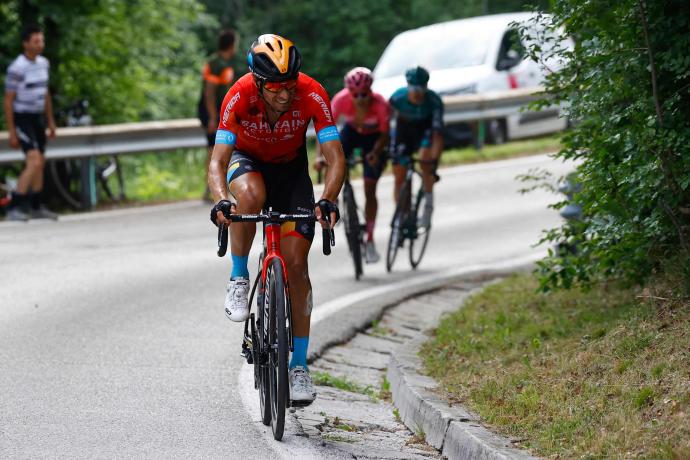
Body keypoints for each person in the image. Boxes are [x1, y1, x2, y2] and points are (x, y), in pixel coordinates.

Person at [208, 34, 345, 405]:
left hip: (292, 175)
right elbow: (218, 161)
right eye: (276, 89)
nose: (285, 96)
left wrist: (328, 199)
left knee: (297, 267)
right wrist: (222, 200)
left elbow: (335, 157)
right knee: (250, 197)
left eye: (290, 86)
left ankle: (298, 367)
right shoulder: (237, 94)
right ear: (257, 82)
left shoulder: (312, 93)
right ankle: (239, 275)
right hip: (248, 166)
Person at [314, 67, 389, 263]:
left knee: (369, 187)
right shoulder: (340, 100)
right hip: (352, 133)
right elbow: (324, 131)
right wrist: (319, 157)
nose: (360, 98)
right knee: (335, 159)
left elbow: (385, 134)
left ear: (370, 90)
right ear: (349, 92)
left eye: (364, 94)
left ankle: (370, 239)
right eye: (355, 94)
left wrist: (376, 153)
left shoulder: (380, 104)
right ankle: (334, 199)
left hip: (374, 139)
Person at [3, 24, 57, 221]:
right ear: (26, 44)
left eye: (42, 40)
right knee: (33, 161)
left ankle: (36, 205)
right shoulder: (17, 68)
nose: (40, 45)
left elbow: (45, 93)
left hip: (37, 117)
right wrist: (12, 130)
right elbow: (8, 100)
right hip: (22, 117)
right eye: (36, 41)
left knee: (40, 162)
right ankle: (15, 205)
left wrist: (50, 121)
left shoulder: (44, 64)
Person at [388, 66, 443, 227]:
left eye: (422, 88)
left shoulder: (434, 101)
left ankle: (428, 210)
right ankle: (401, 214)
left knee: (426, 160)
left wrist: (434, 164)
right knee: (399, 175)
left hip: (424, 131)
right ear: (408, 86)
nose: (418, 93)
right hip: (403, 132)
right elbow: (387, 126)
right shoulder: (396, 98)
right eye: (414, 88)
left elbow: (438, 135)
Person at [198, 29, 240, 201]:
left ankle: (219, 187)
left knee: (225, 150)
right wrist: (212, 117)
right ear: (232, 44)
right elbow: (209, 92)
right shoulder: (216, 63)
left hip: (222, 113)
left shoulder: (224, 62)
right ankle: (210, 190)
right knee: (214, 151)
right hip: (212, 113)